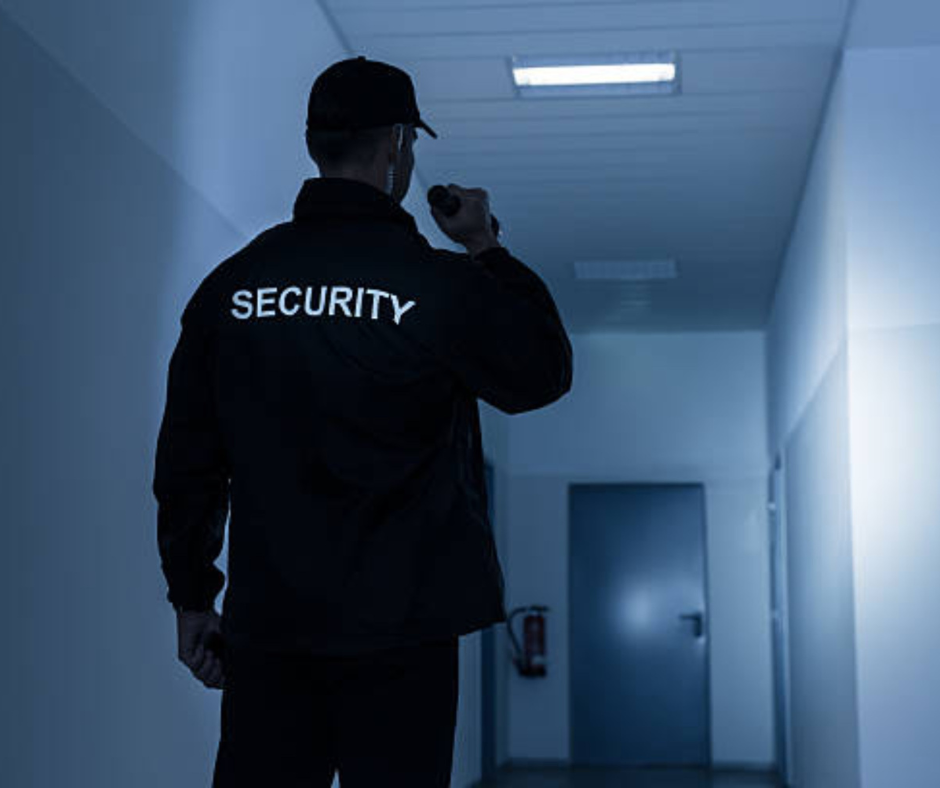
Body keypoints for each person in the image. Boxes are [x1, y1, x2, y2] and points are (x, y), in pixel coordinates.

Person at [152, 55, 573, 787]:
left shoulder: (231, 288)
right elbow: (540, 373)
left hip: (270, 630)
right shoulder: (437, 286)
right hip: (403, 633)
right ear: (398, 147)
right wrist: (485, 247)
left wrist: (192, 596)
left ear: (315, 144)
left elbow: (189, 458)